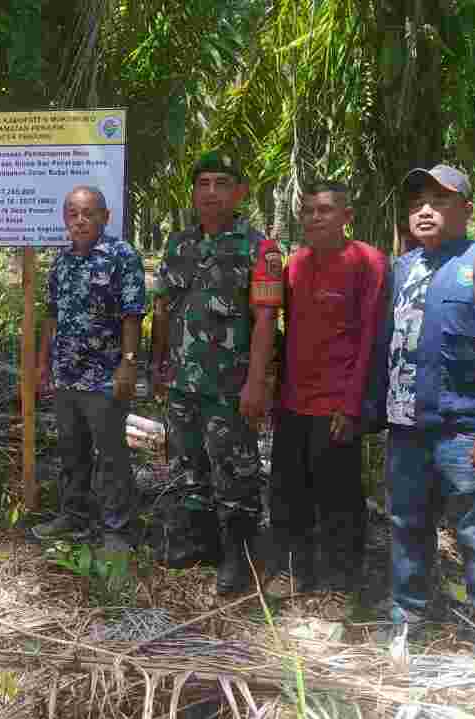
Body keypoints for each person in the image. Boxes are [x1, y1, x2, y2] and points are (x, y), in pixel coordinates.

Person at [374, 165, 475, 650]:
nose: (424, 210)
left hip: (464, 431)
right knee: (407, 525)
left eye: (439, 201)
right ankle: (410, 618)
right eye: (417, 201)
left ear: (466, 209)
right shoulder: (402, 269)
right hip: (406, 429)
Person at [149, 151, 282, 595]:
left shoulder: (260, 249)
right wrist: (159, 364)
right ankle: (200, 543)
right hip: (184, 384)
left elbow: (266, 320)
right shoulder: (179, 244)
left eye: (222, 183)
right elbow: (164, 308)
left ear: (240, 192)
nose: (210, 192)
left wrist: (257, 383)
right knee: (191, 467)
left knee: (236, 474)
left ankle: (238, 558)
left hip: (230, 387)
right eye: (203, 183)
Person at [269, 181, 388, 595]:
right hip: (291, 402)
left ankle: (342, 583)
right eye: (307, 211)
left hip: (337, 405)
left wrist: (353, 405)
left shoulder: (368, 262)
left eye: (325, 210)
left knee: (339, 499)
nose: (314, 217)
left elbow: (371, 336)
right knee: (287, 493)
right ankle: (292, 570)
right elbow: (282, 332)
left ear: (346, 217)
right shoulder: (295, 264)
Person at [31, 186, 146, 552]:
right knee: (71, 450)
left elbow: (132, 313)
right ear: (65, 219)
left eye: (89, 213)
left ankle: (117, 530)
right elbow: (51, 315)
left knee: (110, 454)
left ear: (105, 217)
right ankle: (73, 514)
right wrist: (41, 364)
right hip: (66, 374)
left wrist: (128, 366)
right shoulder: (62, 261)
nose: (80, 221)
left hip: (105, 375)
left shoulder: (121, 255)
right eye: (73, 214)